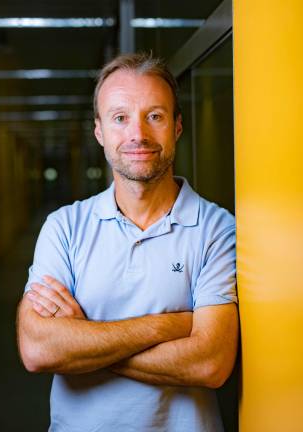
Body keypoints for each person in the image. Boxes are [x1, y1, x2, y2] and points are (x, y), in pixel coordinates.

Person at [16, 52, 238, 432]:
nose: (138, 134)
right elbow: (38, 349)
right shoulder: (65, 226)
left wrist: (85, 338)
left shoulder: (216, 228)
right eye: (120, 118)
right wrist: (170, 326)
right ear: (99, 131)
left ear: (177, 126)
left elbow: (209, 364)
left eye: (155, 116)